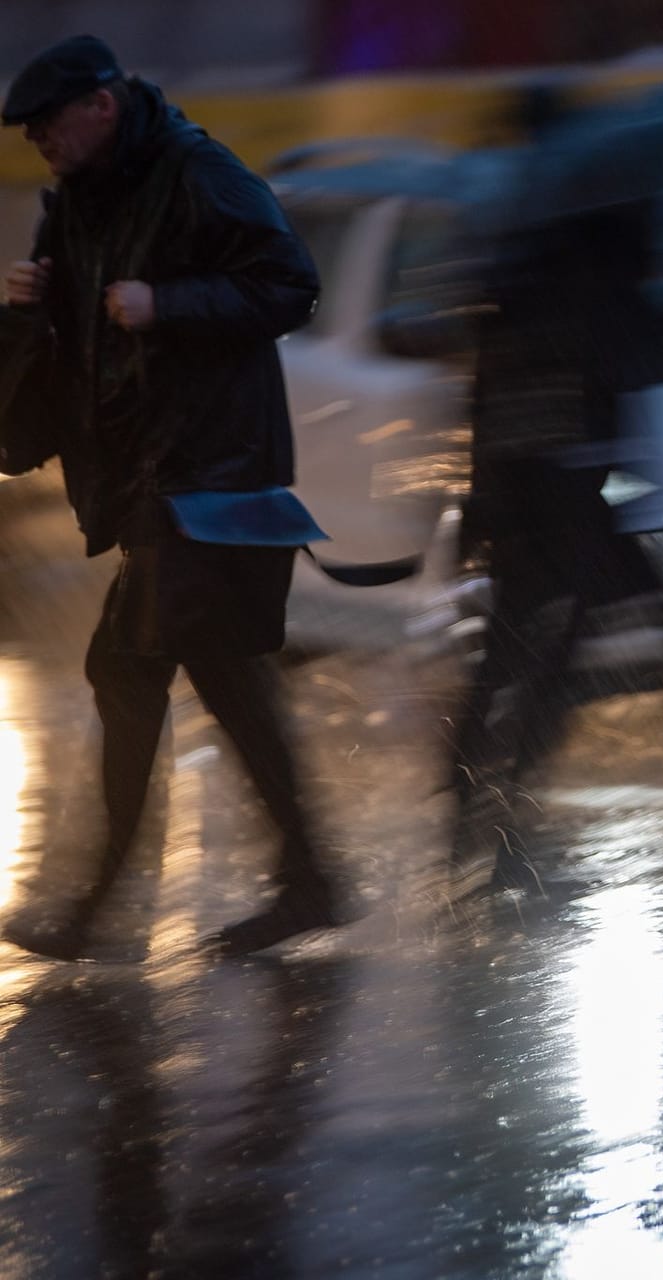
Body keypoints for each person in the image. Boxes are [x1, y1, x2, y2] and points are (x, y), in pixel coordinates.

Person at [0, 36, 348, 958]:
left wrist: (172, 303)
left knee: (132, 673)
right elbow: (60, 364)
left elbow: (290, 284)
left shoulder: (200, 172)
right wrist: (24, 305)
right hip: (151, 483)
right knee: (215, 680)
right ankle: (308, 879)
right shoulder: (78, 202)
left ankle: (100, 904)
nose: (37, 138)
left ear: (102, 107)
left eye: (47, 122)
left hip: (208, 479)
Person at [448, 100, 663, 894]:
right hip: (562, 472)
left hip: (531, 471)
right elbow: (622, 345)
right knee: (544, 652)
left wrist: (481, 487)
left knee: (524, 650)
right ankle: (493, 824)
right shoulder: (594, 237)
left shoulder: (521, 230)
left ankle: (478, 820)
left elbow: (492, 363)